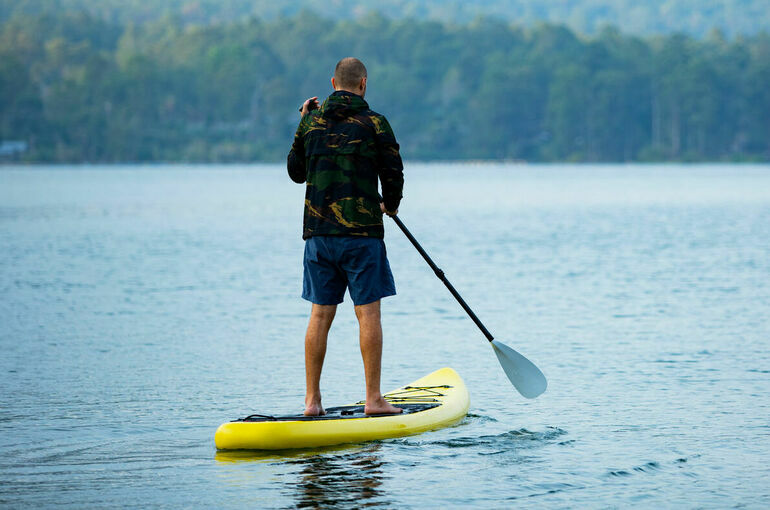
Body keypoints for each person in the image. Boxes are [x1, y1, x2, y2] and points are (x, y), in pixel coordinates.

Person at [287, 57, 404, 416]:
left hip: (319, 236)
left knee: (319, 316)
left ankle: (312, 402)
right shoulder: (375, 124)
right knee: (368, 315)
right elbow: (393, 171)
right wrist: (392, 204)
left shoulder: (312, 122)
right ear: (363, 84)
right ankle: (373, 400)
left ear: (333, 82)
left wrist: (302, 122)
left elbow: (295, 171)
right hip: (362, 235)